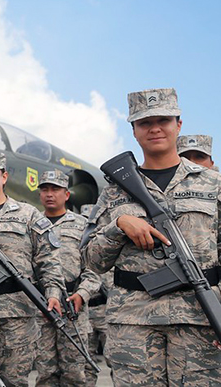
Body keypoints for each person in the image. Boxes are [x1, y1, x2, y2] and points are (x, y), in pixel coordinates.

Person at [82, 88, 221, 385]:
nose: (155, 128)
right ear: (133, 130)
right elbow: (91, 260)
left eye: (164, 120)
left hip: (200, 319)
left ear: (179, 125)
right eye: (145, 123)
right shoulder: (115, 191)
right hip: (133, 322)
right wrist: (119, 224)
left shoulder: (213, 184)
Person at [0, 150, 64, 387]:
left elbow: (48, 260)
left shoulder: (28, 215)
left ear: (4, 176)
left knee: (14, 381)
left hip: (16, 313)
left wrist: (53, 293)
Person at [34, 169, 101, 386]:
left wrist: (83, 294)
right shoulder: (31, 224)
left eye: (55, 189)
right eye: (45, 189)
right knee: (45, 371)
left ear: (67, 195)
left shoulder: (82, 226)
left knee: (74, 372)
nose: (50, 194)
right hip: (40, 305)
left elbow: (95, 268)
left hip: (74, 306)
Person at [79, 204, 113, 387]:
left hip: (106, 309)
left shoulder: (106, 246)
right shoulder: (82, 247)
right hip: (85, 310)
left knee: (114, 360)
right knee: (86, 363)